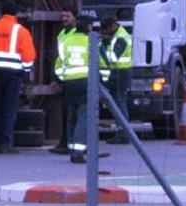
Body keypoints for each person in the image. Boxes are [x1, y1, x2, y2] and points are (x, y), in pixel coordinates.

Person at [0, 0, 36, 154]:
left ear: (0, 12)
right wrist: (25, 71)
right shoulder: (21, 31)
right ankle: (6, 143)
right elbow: (29, 56)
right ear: (15, 13)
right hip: (14, 74)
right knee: (9, 108)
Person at [56, 12, 95, 163]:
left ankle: (72, 147)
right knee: (84, 117)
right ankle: (78, 152)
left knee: (72, 116)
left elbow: (58, 64)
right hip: (85, 82)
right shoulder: (90, 41)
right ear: (88, 26)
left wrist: (64, 78)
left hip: (69, 83)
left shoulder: (66, 41)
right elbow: (99, 64)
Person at [101, 16, 132, 144]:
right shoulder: (117, 36)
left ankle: (124, 134)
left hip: (121, 73)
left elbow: (112, 57)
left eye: (107, 30)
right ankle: (122, 132)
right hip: (117, 72)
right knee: (117, 102)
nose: (105, 33)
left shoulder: (121, 38)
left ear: (113, 26)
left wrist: (103, 45)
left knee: (120, 102)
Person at [50, 10, 76, 154]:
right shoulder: (62, 35)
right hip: (66, 78)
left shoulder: (76, 35)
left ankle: (70, 143)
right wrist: (56, 80)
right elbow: (59, 60)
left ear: (74, 18)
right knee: (66, 112)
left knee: (72, 113)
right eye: (63, 17)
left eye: (68, 16)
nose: (64, 19)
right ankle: (65, 142)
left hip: (75, 79)